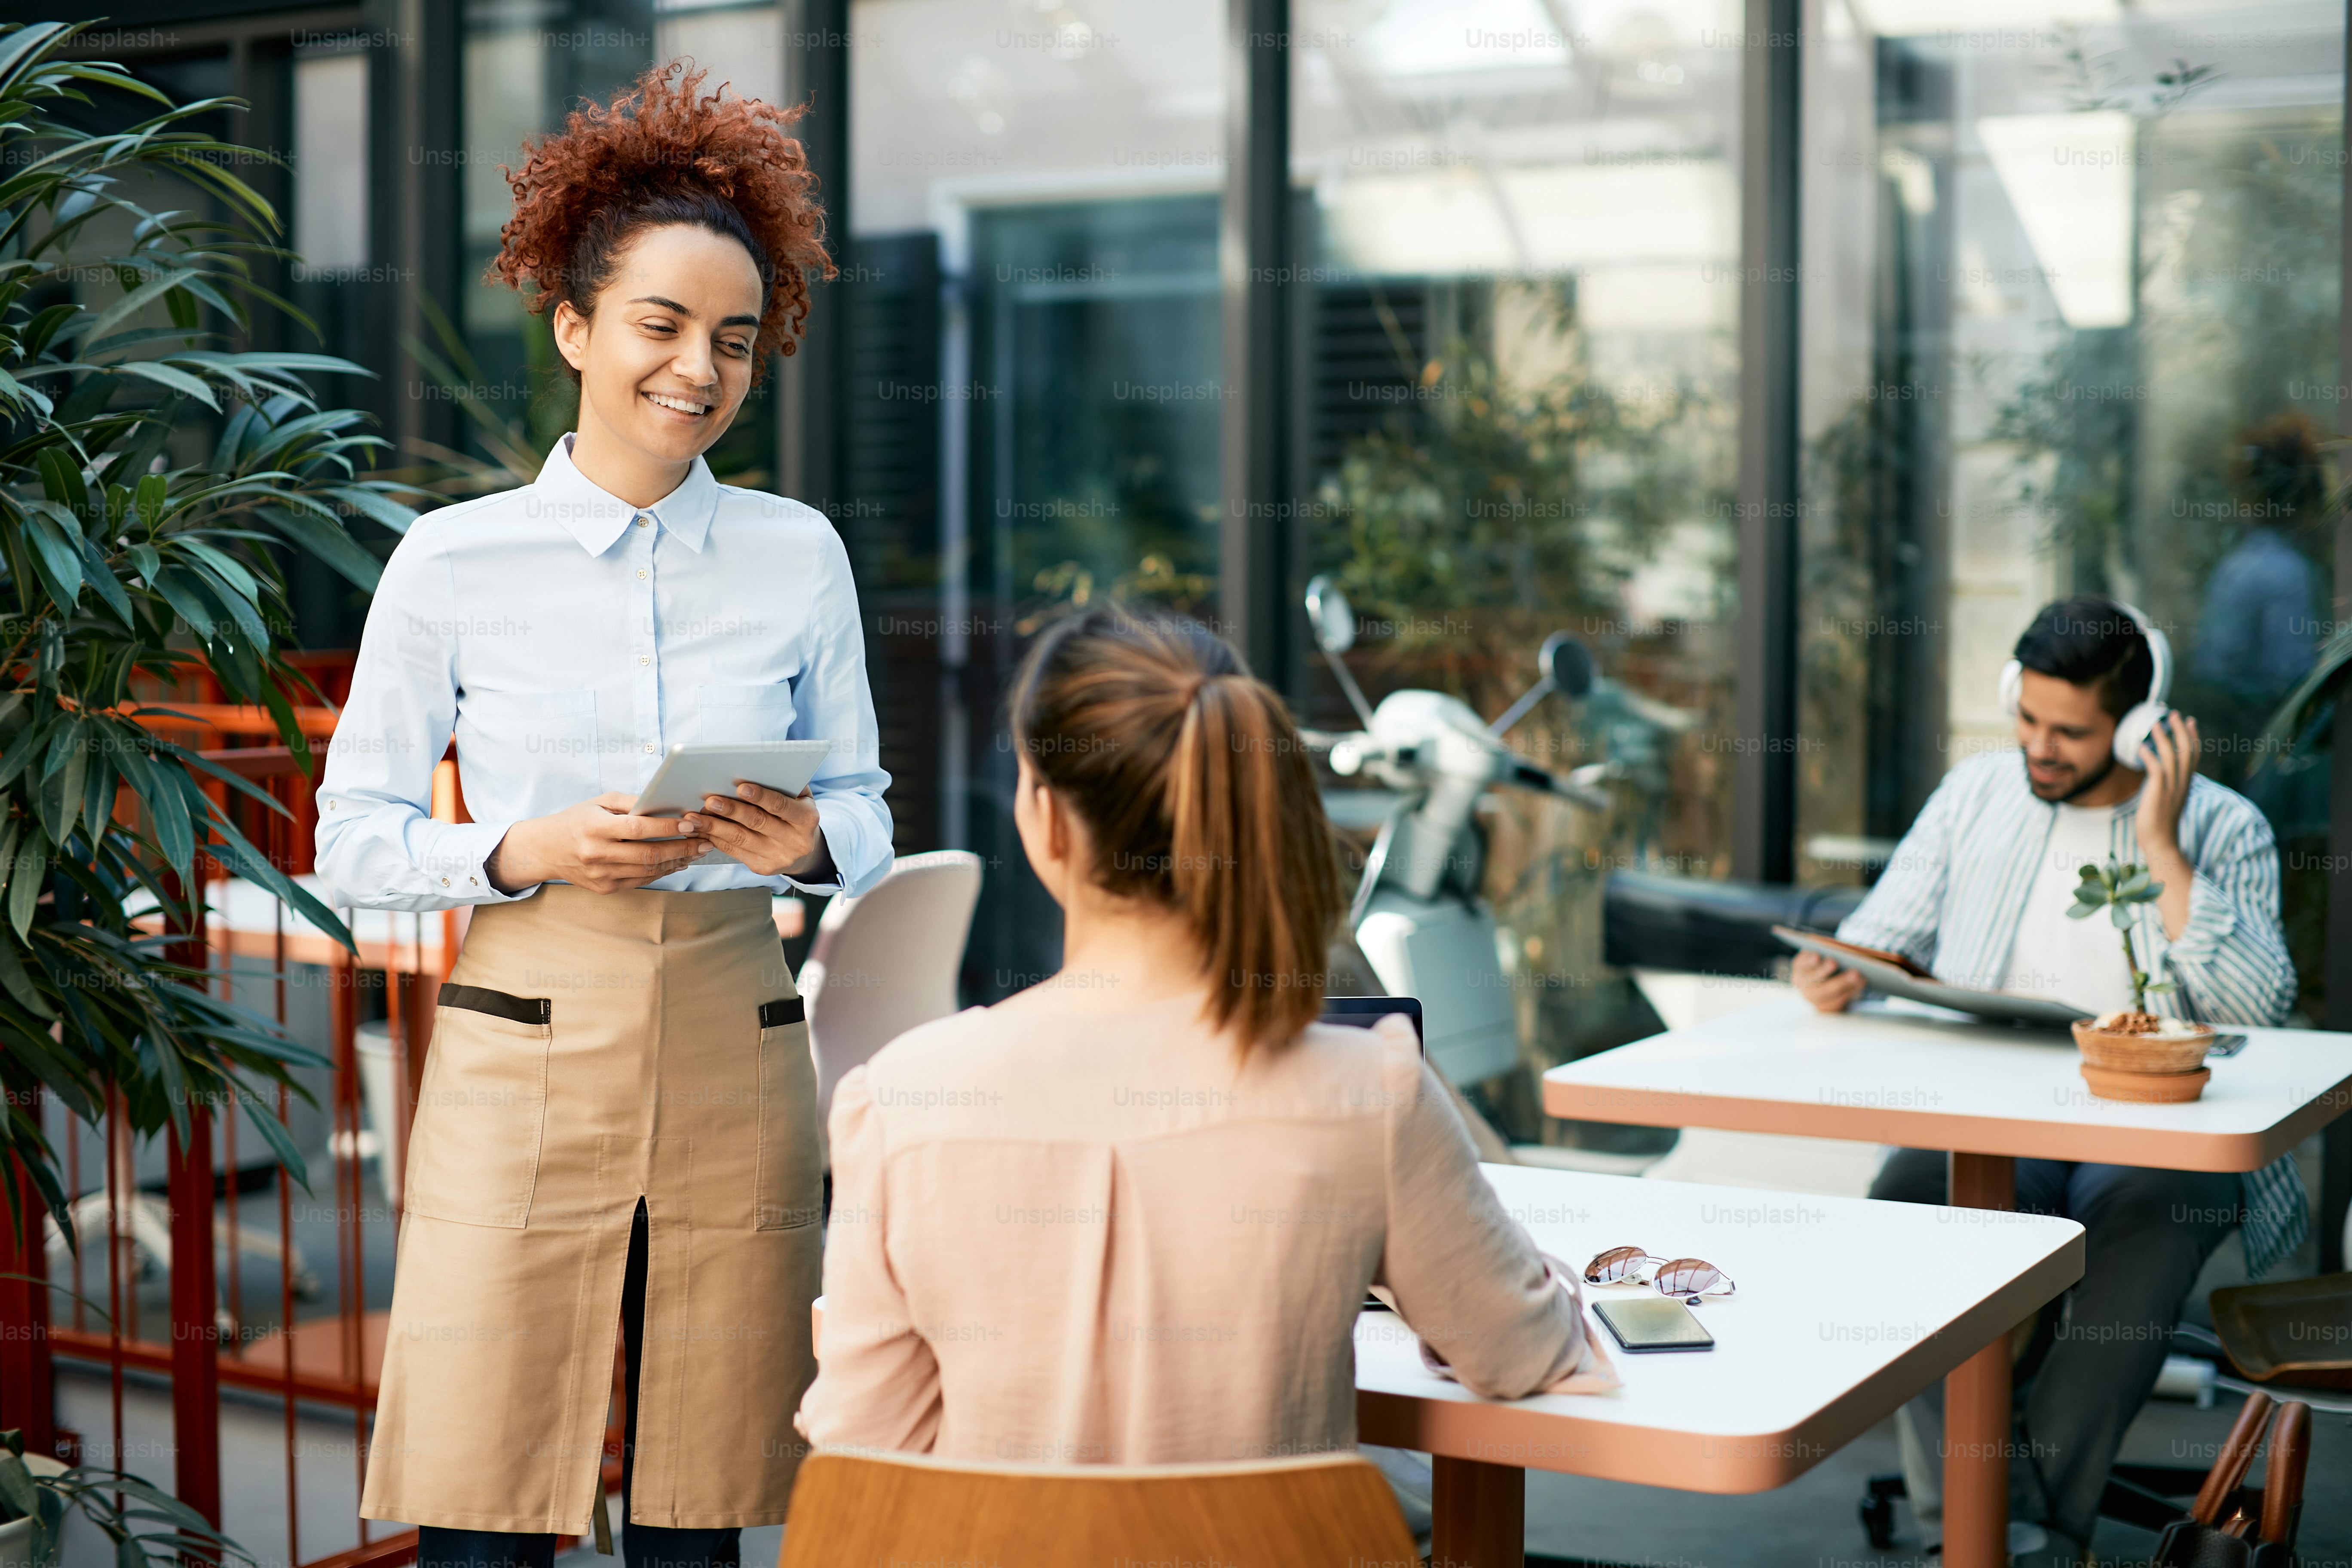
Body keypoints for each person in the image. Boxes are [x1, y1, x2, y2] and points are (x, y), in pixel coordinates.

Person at [318, 64, 892, 1568]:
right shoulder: (452, 561)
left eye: (734, 340)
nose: (697, 368)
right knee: (486, 1500)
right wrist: (524, 848)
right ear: (573, 328)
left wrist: (807, 847)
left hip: (735, 1035)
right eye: (659, 325)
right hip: (525, 1033)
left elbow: (868, 810)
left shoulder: (797, 551)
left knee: (701, 1507)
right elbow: (351, 836)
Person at [796, 605, 1614, 1462]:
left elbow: (865, 1454)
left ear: (1045, 820)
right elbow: (1523, 1353)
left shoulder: (900, 1100)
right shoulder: (1370, 1092)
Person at [1794, 595, 2301, 1563]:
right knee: (1911, 1206)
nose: (2040, 749)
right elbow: (1878, 936)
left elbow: (2261, 1004)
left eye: (2069, 732)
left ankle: (2032, 1535)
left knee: (2147, 1225)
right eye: (2026, 720)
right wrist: (1838, 968)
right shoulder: (1977, 795)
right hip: (1994, 1123)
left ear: (2140, 729)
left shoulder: (2223, 828)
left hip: (2159, 1134)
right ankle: (1981, 1531)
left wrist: (2161, 845)